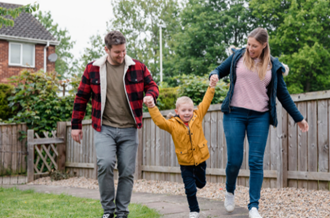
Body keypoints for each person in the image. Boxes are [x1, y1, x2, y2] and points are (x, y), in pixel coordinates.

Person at [209, 27, 309, 218]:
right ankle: (230, 191)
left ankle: (253, 206)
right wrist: (213, 75)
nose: (250, 48)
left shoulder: (273, 66)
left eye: (254, 46)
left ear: (264, 45)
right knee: (234, 160)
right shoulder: (238, 56)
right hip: (234, 114)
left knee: (256, 161)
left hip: (260, 117)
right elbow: (218, 70)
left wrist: (299, 118)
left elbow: (283, 95)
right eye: (248, 44)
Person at [71, 30, 159, 218]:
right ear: (107, 50)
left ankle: (122, 213)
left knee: (127, 171)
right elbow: (81, 97)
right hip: (105, 128)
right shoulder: (93, 69)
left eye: (124, 51)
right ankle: (108, 211)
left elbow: (152, 85)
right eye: (117, 52)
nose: (122, 55)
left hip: (129, 129)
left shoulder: (138, 67)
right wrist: (76, 125)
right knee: (105, 164)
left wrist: (150, 95)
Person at [144, 76, 219, 218]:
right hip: (185, 163)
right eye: (184, 110)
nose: (187, 113)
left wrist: (212, 86)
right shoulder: (172, 124)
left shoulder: (198, 116)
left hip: (201, 159)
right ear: (177, 111)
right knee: (190, 189)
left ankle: (200, 182)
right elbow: (160, 122)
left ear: (193, 110)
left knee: (201, 184)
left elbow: (206, 102)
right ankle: (194, 210)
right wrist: (152, 107)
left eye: (189, 110)